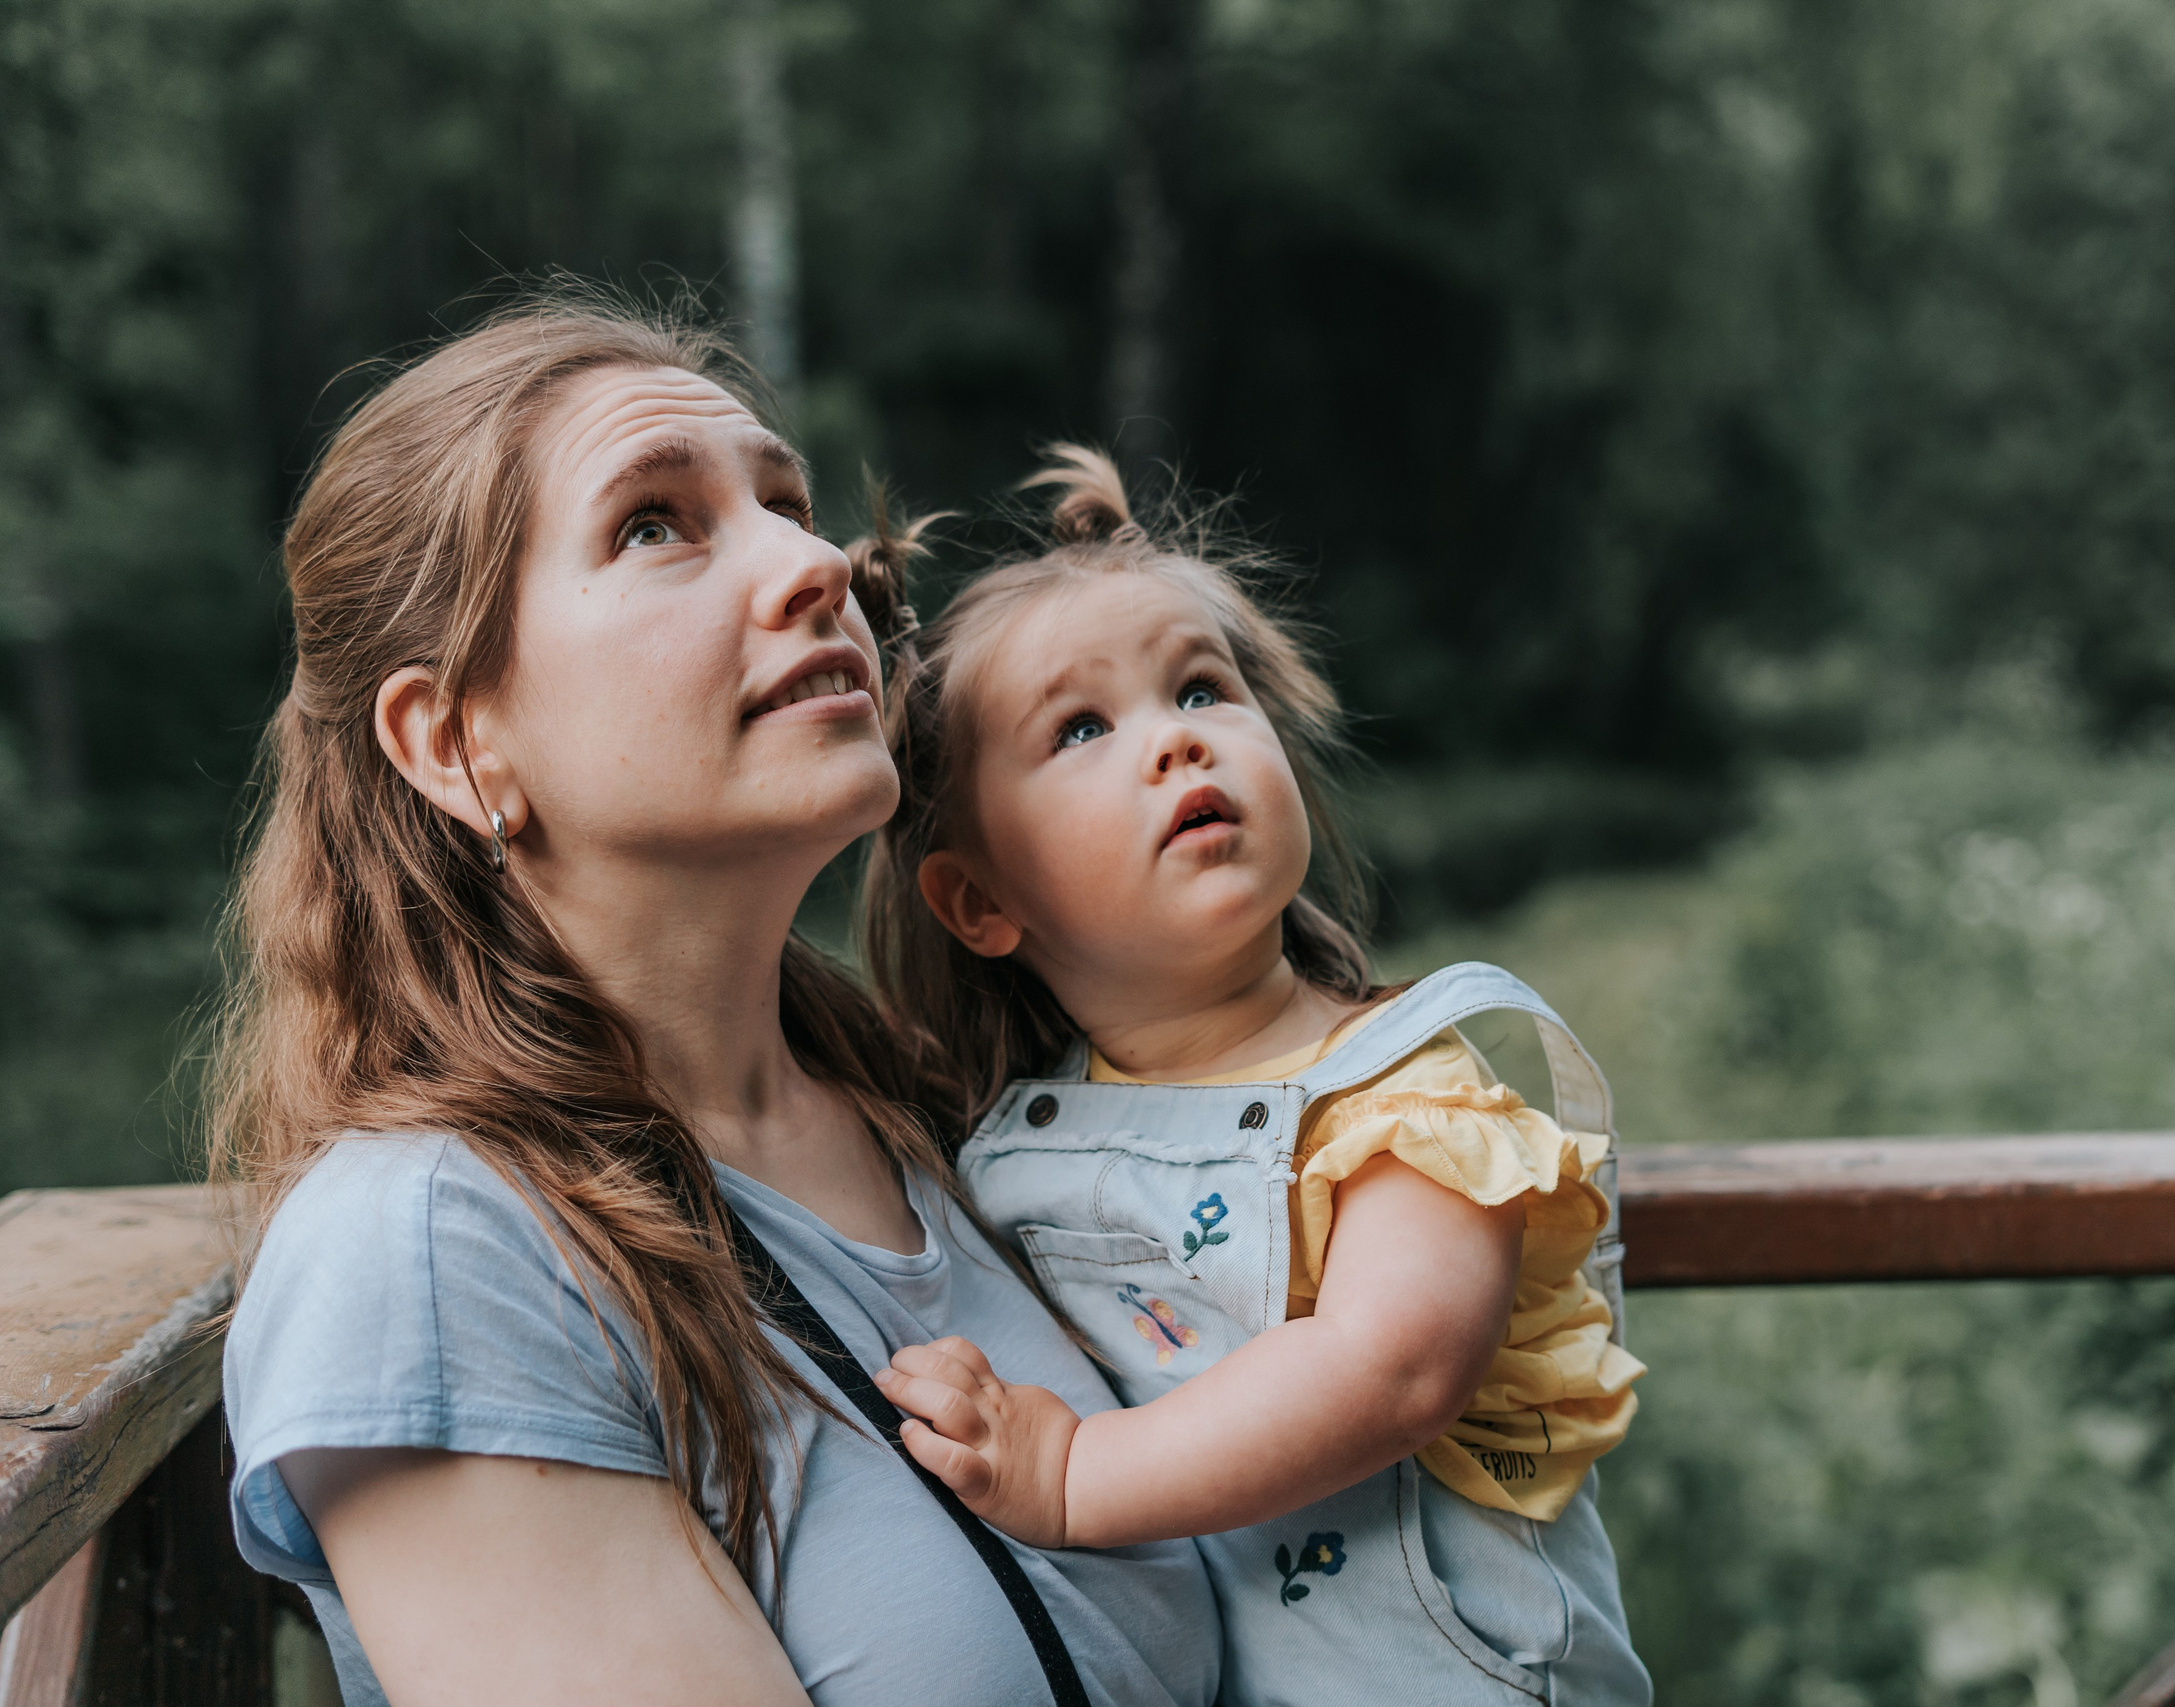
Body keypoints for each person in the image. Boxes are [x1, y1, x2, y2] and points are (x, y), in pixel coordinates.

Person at [205, 304, 1221, 1707]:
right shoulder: (438, 1257)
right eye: (653, 524)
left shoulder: (924, 1106)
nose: (817, 566)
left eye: (788, 503)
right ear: (454, 741)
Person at [859, 446, 1653, 1706]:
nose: (1174, 743)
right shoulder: (1000, 1138)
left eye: (1200, 690)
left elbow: (1390, 1370)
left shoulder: (1404, 1099)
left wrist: (1073, 1477)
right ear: (978, 901)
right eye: (1081, 728)